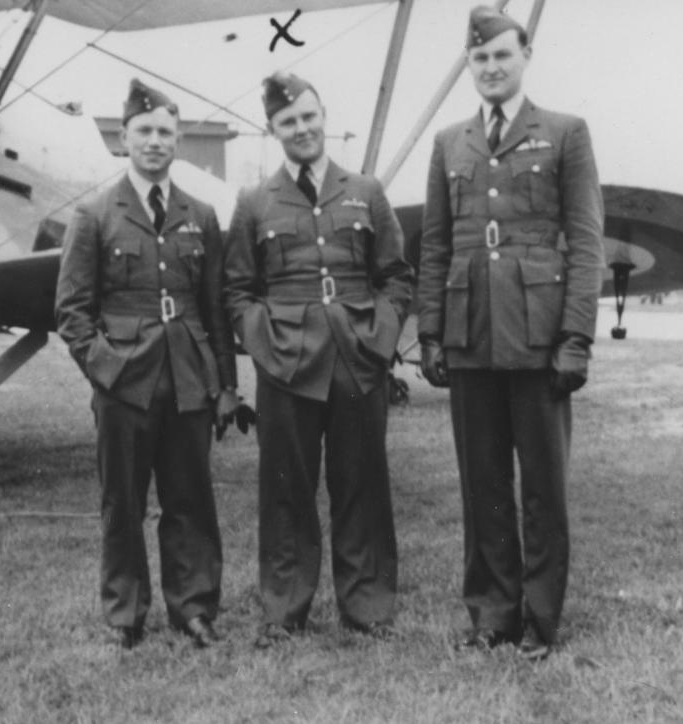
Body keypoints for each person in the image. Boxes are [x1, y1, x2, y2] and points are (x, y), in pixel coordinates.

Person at [416, 7, 605, 660]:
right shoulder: (448, 144)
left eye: (501, 55)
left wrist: (576, 336)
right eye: (479, 59)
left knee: (543, 488)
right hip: (471, 338)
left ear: (525, 56)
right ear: (469, 66)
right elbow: (436, 247)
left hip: (538, 337)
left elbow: (585, 242)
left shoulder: (564, 133)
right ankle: (492, 616)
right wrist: (431, 335)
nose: (491, 68)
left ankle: (541, 620)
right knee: (483, 483)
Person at [224, 72, 413, 647]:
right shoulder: (255, 202)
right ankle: (284, 610)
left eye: (308, 116)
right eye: (288, 121)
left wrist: (379, 341)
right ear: (272, 129)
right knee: (286, 487)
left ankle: (369, 605)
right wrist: (265, 345)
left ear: (323, 115)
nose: (301, 128)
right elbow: (237, 289)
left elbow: (397, 278)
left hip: (358, 360)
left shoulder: (366, 192)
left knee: (362, 484)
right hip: (286, 365)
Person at [55, 79, 239, 650]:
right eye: (144, 131)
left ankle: (194, 608)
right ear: (124, 136)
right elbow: (72, 311)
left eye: (165, 132)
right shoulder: (93, 214)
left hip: (188, 377)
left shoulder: (200, 215)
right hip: (125, 382)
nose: (155, 141)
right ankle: (125, 613)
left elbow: (214, 310)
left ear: (178, 140)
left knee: (189, 498)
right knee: (123, 502)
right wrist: (104, 369)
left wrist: (225, 386)